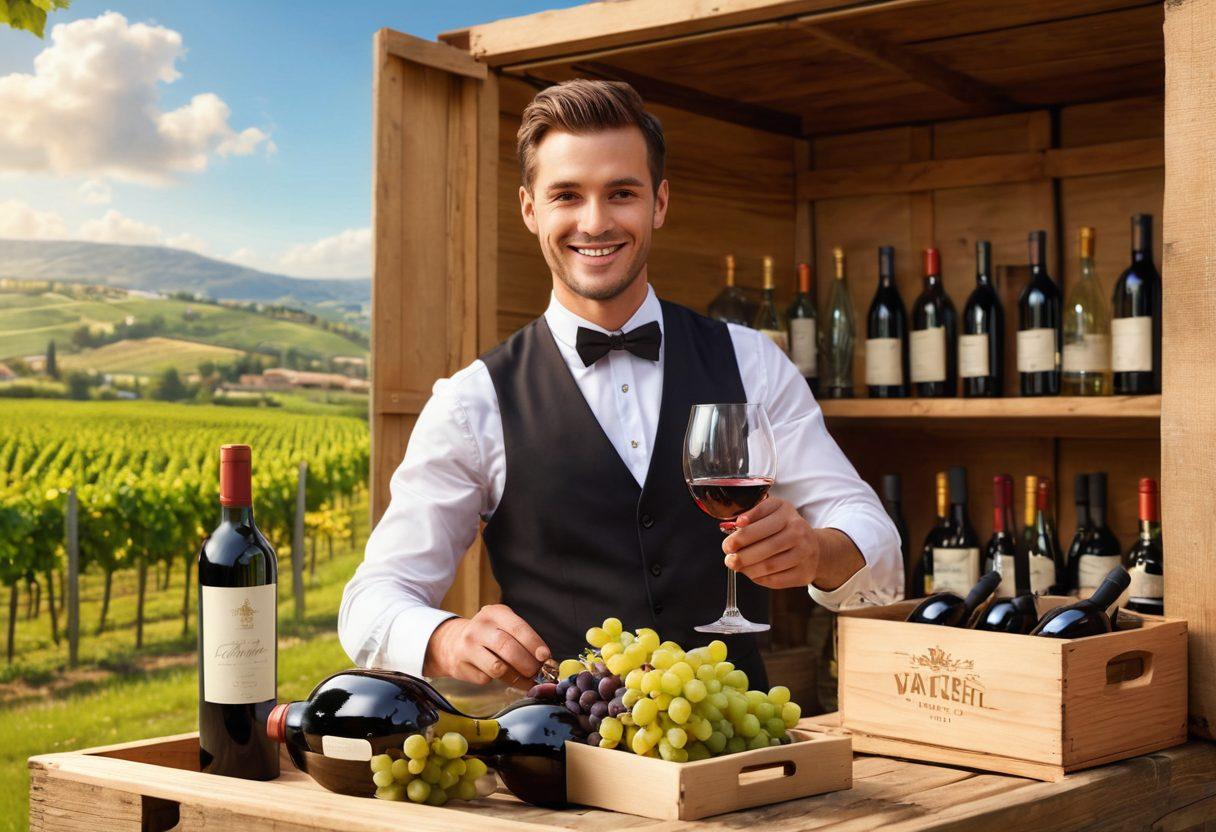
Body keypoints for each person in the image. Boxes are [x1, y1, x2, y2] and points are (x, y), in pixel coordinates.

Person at [339, 79, 901, 690]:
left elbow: (872, 534)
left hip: (739, 751)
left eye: (621, 193)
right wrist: (445, 638)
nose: (596, 221)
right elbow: (372, 599)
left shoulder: (753, 362)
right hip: (562, 761)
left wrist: (819, 551)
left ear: (659, 203)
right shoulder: (472, 402)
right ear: (530, 210)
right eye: (566, 196)